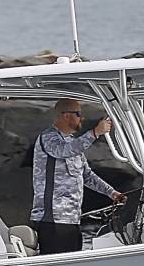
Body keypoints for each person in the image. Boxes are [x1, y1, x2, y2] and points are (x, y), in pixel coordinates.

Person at [30, 98, 126, 254]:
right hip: (52, 220)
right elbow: (63, 151)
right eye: (78, 114)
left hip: (72, 219)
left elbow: (87, 175)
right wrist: (95, 133)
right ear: (66, 115)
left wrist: (112, 193)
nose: (82, 118)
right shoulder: (48, 137)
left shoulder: (73, 142)